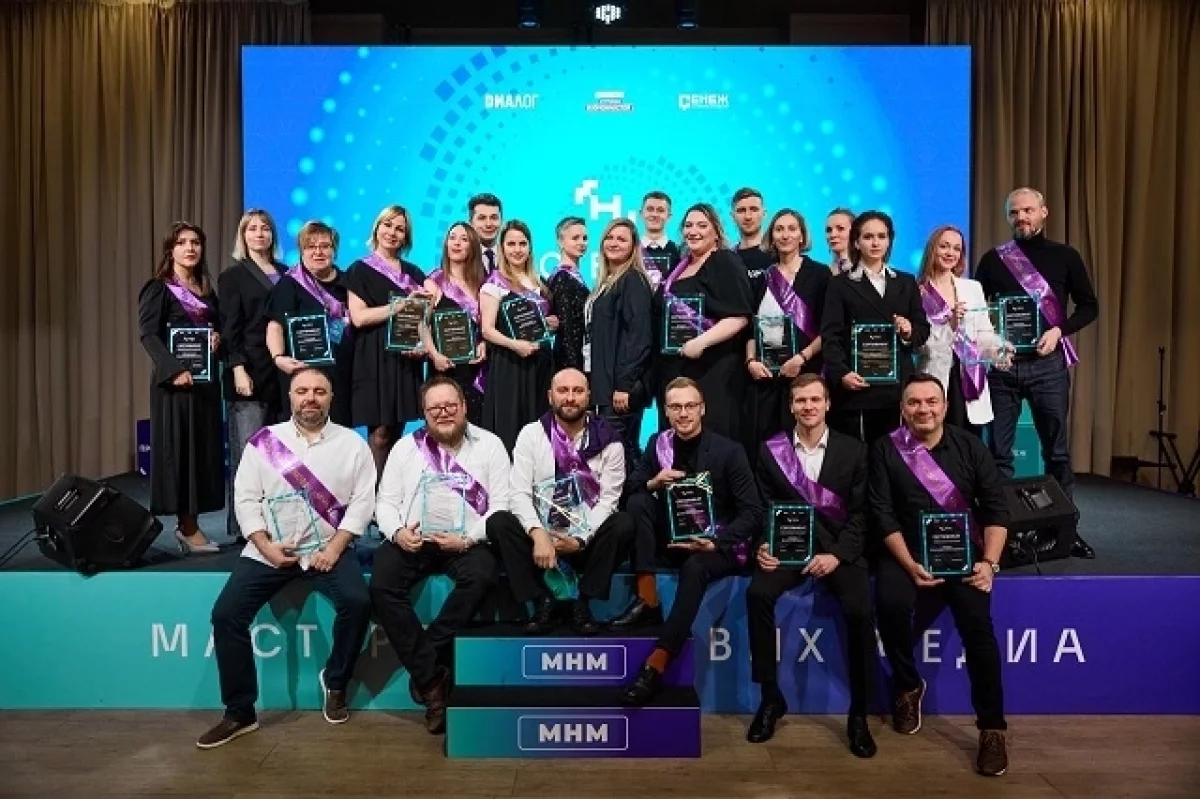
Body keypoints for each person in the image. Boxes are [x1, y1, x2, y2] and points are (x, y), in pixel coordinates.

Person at [198, 367, 375, 749]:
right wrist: (264, 546)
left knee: (358, 603)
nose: (310, 398)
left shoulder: (352, 445)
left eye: (319, 391)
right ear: (291, 396)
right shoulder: (264, 442)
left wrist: (334, 548)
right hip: (270, 549)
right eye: (302, 391)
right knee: (226, 615)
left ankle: (336, 681)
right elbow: (246, 499)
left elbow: (363, 503)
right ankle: (240, 712)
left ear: (331, 397)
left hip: (328, 548)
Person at [869, 374, 1010, 777]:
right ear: (903, 408)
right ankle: (908, 685)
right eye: (914, 403)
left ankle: (992, 729)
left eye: (931, 401)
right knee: (891, 604)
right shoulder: (885, 449)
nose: (923, 409)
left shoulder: (971, 447)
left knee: (979, 630)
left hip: (964, 556)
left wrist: (989, 564)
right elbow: (882, 514)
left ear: (946, 407)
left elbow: (996, 509)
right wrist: (909, 563)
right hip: (907, 553)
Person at [371, 375, 510, 735]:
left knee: (483, 576)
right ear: (424, 413)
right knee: (382, 584)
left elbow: (502, 505)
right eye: (435, 408)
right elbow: (385, 502)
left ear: (464, 406)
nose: (444, 413)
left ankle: (428, 654)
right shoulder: (405, 448)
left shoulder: (491, 445)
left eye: (450, 406)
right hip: (414, 540)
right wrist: (397, 533)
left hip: (466, 541)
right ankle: (432, 681)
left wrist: (467, 540)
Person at [746, 374, 876, 757]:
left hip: (838, 552)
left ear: (827, 403)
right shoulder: (771, 451)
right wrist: (763, 544)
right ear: (791, 406)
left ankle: (859, 713)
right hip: (788, 551)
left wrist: (837, 555)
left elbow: (862, 514)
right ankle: (770, 697)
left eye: (815, 399)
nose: (808, 407)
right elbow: (762, 508)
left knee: (860, 608)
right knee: (757, 594)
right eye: (801, 400)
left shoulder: (855, 451)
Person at [616, 378, 762, 706]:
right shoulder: (657, 443)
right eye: (676, 407)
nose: (683, 413)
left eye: (690, 406)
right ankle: (647, 598)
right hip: (671, 539)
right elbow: (629, 491)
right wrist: (654, 482)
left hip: (714, 546)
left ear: (702, 409)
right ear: (666, 412)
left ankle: (656, 665)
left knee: (695, 567)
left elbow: (752, 512)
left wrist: (716, 542)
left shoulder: (729, 451)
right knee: (639, 501)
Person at [974, 187, 1099, 559]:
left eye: (1028, 210)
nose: (1021, 218)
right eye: (1014, 212)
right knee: (999, 457)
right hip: (1003, 368)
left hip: (1048, 367)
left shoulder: (1066, 256)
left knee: (1056, 452)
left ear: (1044, 212)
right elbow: (979, 314)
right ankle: (1002, 535)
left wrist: (1060, 330)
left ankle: (1064, 532)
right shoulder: (993, 260)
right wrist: (994, 344)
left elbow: (1089, 306)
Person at [488, 369, 634, 635]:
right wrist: (538, 534)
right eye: (563, 391)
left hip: (585, 542)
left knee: (623, 523)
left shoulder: (610, 440)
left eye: (577, 391)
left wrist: (580, 539)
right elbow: (518, 493)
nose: (570, 398)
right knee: (499, 523)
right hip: (540, 545)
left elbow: (608, 501)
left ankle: (582, 602)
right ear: (550, 396)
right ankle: (542, 600)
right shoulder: (532, 434)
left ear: (588, 396)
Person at [138, 221, 224, 554]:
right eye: (182, 242)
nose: (190, 248)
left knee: (201, 453)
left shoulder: (207, 290)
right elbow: (148, 335)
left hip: (204, 384)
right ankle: (186, 527)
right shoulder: (158, 288)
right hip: (174, 386)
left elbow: (217, 329)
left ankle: (192, 524)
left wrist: (217, 340)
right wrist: (173, 370)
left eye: (195, 242)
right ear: (170, 249)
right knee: (181, 453)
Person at [820, 210, 930, 447]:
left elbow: (922, 329)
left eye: (882, 236)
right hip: (857, 386)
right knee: (859, 456)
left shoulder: (906, 282)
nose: (875, 242)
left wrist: (909, 330)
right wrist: (842, 373)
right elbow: (831, 335)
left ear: (889, 241)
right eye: (868, 237)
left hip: (897, 387)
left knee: (896, 455)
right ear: (856, 242)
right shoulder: (840, 284)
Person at [656, 203, 755, 440]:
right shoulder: (679, 267)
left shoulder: (725, 261)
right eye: (688, 225)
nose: (694, 231)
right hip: (677, 368)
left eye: (702, 225)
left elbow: (740, 316)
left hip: (715, 370)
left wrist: (701, 342)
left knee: (712, 437)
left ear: (716, 232)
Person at [343, 205, 430, 474]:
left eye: (400, 229)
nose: (392, 233)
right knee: (379, 433)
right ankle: (372, 492)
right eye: (388, 225)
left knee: (397, 430)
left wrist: (423, 347)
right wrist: (398, 306)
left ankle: (390, 492)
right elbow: (359, 317)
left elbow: (423, 318)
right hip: (374, 356)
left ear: (406, 237)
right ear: (377, 229)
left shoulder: (414, 273)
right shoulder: (359, 270)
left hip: (405, 358)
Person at [219, 210, 286, 542]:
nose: (259, 234)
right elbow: (229, 328)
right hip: (249, 373)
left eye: (265, 228)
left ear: (273, 235)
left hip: (283, 375)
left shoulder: (287, 274)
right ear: (243, 236)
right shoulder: (232, 277)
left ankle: (278, 521)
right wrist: (237, 368)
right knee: (249, 453)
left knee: (280, 456)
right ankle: (245, 527)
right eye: (252, 229)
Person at [744, 209, 830, 462]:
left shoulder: (820, 274)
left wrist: (802, 358)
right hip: (767, 379)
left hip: (806, 374)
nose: (785, 235)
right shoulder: (764, 277)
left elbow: (829, 328)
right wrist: (751, 361)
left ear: (802, 236)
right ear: (771, 236)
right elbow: (751, 328)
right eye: (779, 229)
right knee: (768, 448)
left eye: (792, 229)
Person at [915, 226, 1002, 436]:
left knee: (969, 441)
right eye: (944, 246)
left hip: (970, 376)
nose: (950, 253)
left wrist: (997, 350)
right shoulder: (917, 291)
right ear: (932, 249)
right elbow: (918, 345)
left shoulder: (973, 288)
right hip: (935, 375)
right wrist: (950, 325)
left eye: (956, 248)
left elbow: (984, 331)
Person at [266, 221, 354, 426]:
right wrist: (278, 357)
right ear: (302, 251)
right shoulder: (290, 283)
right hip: (302, 372)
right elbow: (275, 326)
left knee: (338, 432)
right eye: (311, 246)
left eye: (325, 246)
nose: (318, 252)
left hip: (342, 373)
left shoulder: (349, 282)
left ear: (334, 250)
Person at [480, 220, 557, 451]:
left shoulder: (539, 283)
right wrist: (515, 345)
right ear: (502, 248)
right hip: (511, 365)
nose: (517, 249)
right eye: (511, 244)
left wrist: (550, 324)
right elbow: (487, 330)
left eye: (522, 244)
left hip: (541, 364)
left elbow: (538, 325)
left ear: (530, 247)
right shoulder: (494, 283)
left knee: (540, 429)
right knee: (512, 428)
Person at [584, 218, 654, 469]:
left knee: (619, 457)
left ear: (634, 246)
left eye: (621, 239)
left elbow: (639, 336)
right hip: (604, 386)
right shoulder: (607, 281)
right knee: (610, 456)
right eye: (609, 237)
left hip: (620, 390)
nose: (614, 243)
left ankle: (632, 496)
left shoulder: (633, 280)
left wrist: (624, 385)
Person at [423, 223, 488, 425]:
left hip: (476, 371)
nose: (456, 243)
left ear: (473, 246)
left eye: (463, 239)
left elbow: (488, 325)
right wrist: (434, 355)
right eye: (452, 237)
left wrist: (484, 343)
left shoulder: (483, 284)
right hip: (445, 368)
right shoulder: (434, 281)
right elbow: (421, 324)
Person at [547, 216, 590, 372]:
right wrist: (573, 367)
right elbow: (567, 328)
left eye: (585, 238)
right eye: (575, 238)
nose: (582, 243)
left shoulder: (573, 275)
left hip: (578, 353)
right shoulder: (562, 278)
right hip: (570, 358)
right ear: (560, 241)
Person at [730, 187, 773, 288]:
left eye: (754, 209)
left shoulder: (778, 254)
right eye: (741, 210)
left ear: (764, 214)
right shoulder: (727, 260)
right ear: (733, 217)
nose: (748, 217)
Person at [639, 190, 680, 290]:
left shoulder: (679, 252)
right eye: (650, 209)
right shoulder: (630, 251)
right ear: (641, 214)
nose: (654, 214)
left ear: (669, 216)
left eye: (660, 210)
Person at [468, 193, 503, 273]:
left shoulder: (512, 256)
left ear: (501, 221)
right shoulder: (459, 257)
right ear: (471, 223)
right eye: (482, 218)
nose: (488, 224)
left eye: (494, 218)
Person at [825, 208, 855, 274]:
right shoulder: (822, 272)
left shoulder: (866, 269)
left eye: (840, 228)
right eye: (829, 230)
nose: (833, 235)